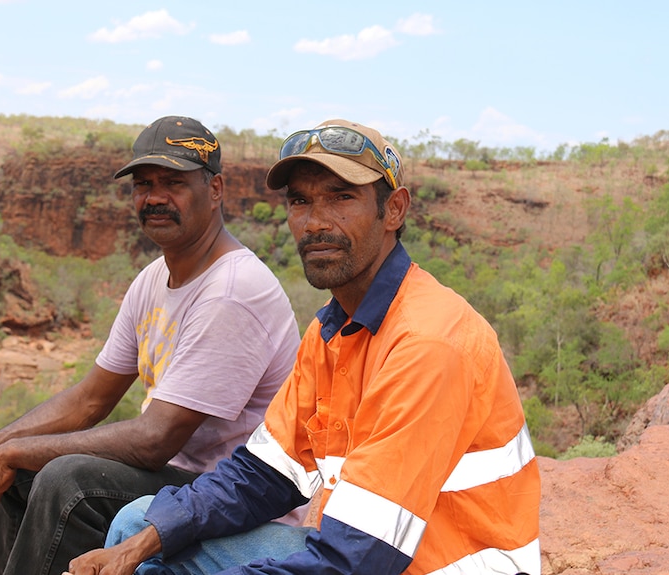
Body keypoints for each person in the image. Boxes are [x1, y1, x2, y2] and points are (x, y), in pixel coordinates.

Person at [66, 119, 542, 575]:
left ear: (394, 209)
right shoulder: (332, 332)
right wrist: (144, 544)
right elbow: (262, 475)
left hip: (427, 565)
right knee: (138, 524)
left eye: (341, 198)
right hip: (367, 554)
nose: (315, 223)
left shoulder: (428, 342)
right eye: (300, 201)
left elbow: (354, 561)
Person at [0, 115, 301, 575]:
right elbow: (91, 397)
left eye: (173, 183)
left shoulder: (233, 289)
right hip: (177, 482)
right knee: (1, 475)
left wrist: (12, 451)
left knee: (69, 481)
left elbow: (155, 441)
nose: (155, 197)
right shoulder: (154, 279)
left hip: (231, 494)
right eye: (143, 184)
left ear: (217, 190)